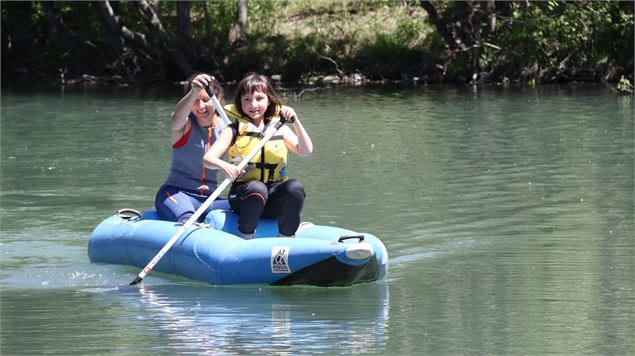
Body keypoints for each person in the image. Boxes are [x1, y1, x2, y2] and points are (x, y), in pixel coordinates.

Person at [203, 72, 313, 239]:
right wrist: (225, 166)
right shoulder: (233, 130)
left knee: (295, 187)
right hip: (243, 197)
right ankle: (245, 237)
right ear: (240, 102)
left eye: (259, 98)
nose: (253, 104)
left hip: (272, 199)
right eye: (246, 99)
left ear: (269, 100)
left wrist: (295, 122)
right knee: (257, 188)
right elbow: (208, 160)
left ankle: (286, 240)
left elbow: (306, 151)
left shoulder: (279, 128)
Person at [155, 73, 229, 223]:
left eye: (205, 100)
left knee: (246, 205)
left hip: (210, 199)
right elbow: (176, 119)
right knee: (187, 217)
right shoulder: (185, 124)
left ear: (218, 99)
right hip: (176, 193)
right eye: (195, 101)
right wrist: (194, 91)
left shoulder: (228, 128)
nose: (200, 106)